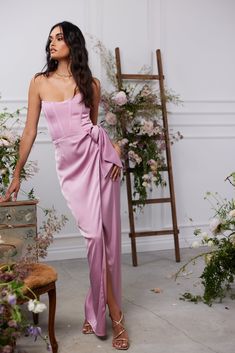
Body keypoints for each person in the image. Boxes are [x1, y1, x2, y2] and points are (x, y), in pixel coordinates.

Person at [0, 21, 129, 350]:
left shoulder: (92, 84)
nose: (52, 43)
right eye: (50, 39)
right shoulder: (39, 83)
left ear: (73, 42)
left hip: (100, 165)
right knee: (94, 238)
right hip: (72, 171)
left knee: (109, 243)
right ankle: (95, 308)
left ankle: (114, 316)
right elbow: (29, 132)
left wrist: (113, 150)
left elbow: (94, 129)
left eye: (59, 37)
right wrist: (16, 173)